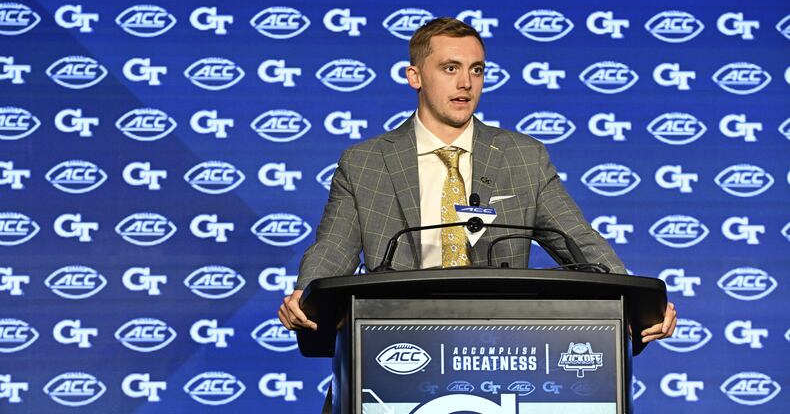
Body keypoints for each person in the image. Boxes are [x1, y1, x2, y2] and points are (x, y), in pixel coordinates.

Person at [279, 17, 677, 344]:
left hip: (500, 345)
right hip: (396, 341)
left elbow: (580, 242)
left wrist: (637, 301)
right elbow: (333, 248)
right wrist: (305, 294)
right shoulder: (366, 162)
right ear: (415, 76)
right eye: (450, 68)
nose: (466, 83)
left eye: (476, 70)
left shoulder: (523, 157)